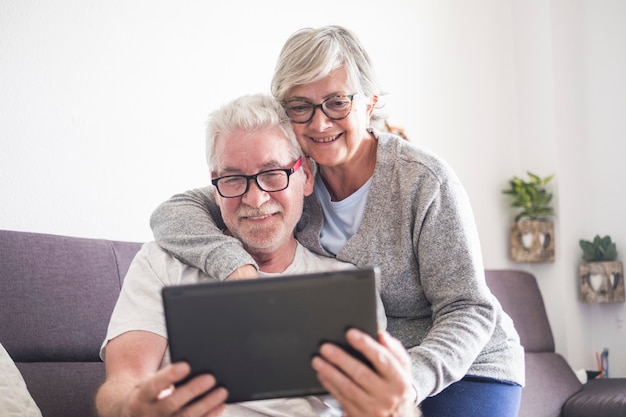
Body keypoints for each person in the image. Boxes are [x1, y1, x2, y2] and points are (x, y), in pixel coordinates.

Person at [149, 25, 525, 417]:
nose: (319, 123)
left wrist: (406, 383)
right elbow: (172, 214)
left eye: (336, 103)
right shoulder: (290, 179)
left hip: (465, 370)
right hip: (358, 376)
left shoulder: (423, 181)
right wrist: (237, 269)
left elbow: (469, 308)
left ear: (369, 103)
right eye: (300, 106)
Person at [96, 94, 419, 417]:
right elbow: (122, 383)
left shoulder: (346, 286)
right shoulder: (161, 261)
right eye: (234, 179)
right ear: (215, 186)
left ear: (305, 176)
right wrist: (132, 409)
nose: (255, 198)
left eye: (273, 173)